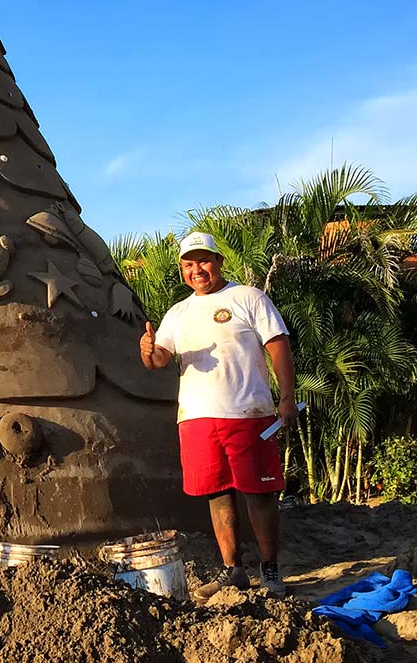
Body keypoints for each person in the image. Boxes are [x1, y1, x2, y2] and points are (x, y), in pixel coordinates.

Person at [140, 230, 298, 599]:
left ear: (219, 262)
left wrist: (287, 396)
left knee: (259, 493)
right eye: (189, 263)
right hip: (196, 417)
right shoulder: (178, 313)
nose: (197, 269)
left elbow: (278, 345)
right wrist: (148, 351)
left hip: (248, 412)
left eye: (204, 261)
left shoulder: (248, 298)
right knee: (216, 494)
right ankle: (233, 570)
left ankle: (270, 569)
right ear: (182, 269)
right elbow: (160, 358)